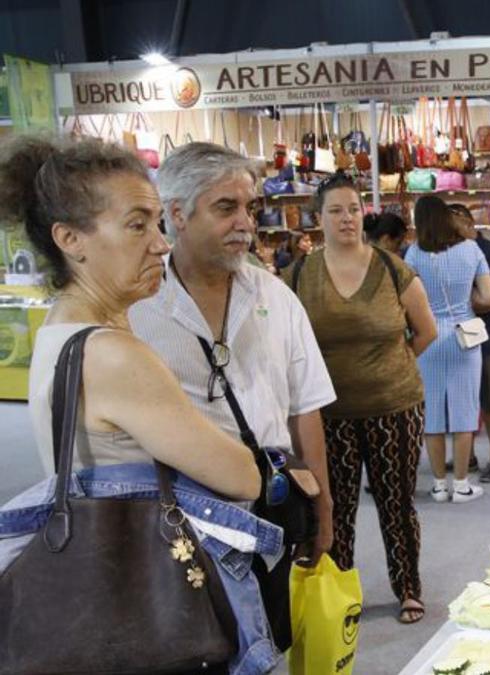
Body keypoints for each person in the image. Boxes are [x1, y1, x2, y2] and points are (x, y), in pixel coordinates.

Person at [0, 135, 278, 672]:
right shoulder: (115, 355)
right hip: (154, 604)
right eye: (136, 225)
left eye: (156, 223)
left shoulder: (63, 332)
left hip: (106, 593)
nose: (161, 243)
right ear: (70, 239)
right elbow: (243, 478)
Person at [129, 141, 337, 652]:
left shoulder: (274, 296)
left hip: (272, 510)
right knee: (196, 651)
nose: (246, 222)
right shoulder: (136, 307)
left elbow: (304, 406)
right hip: (180, 526)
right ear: (176, 213)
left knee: (267, 643)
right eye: (226, 208)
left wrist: (324, 506)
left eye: (250, 207)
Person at [285, 173, 438, 624]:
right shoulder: (297, 277)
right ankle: (340, 590)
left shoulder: (392, 269)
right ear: (319, 218)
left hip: (395, 408)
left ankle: (408, 587)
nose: (347, 218)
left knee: (397, 502)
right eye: (336, 210)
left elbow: (426, 330)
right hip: (327, 416)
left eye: (353, 208)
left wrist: (393, 367)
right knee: (335, 506)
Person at [405, 195, 490, 503]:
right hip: (464, 335)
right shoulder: (472, 249)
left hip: (428, 336)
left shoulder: (414, 253)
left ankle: (439, 485)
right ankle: (461, 485)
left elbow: (405, 299)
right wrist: (464, 302)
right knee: (464, 410)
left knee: (431, 414)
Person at [449, 203, 490, 482]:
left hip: (486, 336)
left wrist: (466, 303)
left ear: (464, 222)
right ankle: (468, 456)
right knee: (462, 399)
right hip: (456, 334)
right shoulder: (449, 251)